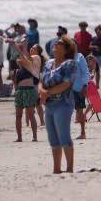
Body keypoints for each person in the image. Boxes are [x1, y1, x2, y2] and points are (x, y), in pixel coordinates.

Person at [39, 36, 77, 174]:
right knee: (53, 138)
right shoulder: (48, 63)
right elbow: (40, 80)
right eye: (56, 42)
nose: (56, 44)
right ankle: (56, 169)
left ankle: (69, 169)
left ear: (66, 49)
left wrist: (45, 93)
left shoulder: (70, 64)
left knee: (63, 136)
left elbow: (66, 83)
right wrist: (41, 91)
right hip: (49, 105)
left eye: (60, 43)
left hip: (63, 103)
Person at [10, 38, 40, 142]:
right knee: (18, 116)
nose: (19, 59)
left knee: (31, 115)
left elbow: (23, 54)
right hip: (20, 92)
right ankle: (19, 137)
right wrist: (13, 78)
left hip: (29, 90)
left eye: (20, 58)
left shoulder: (29, 66)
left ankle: (35, 136)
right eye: (18, 59)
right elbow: (16, 86)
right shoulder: (18, 71)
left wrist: (18, 45)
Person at [72, 49, 90, 140]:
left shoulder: (79, 56)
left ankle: (83, 133)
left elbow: (85, 71)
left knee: (79, 111)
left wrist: (85, 85)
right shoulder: (64, 56)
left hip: (78, 87)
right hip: (66, 88)